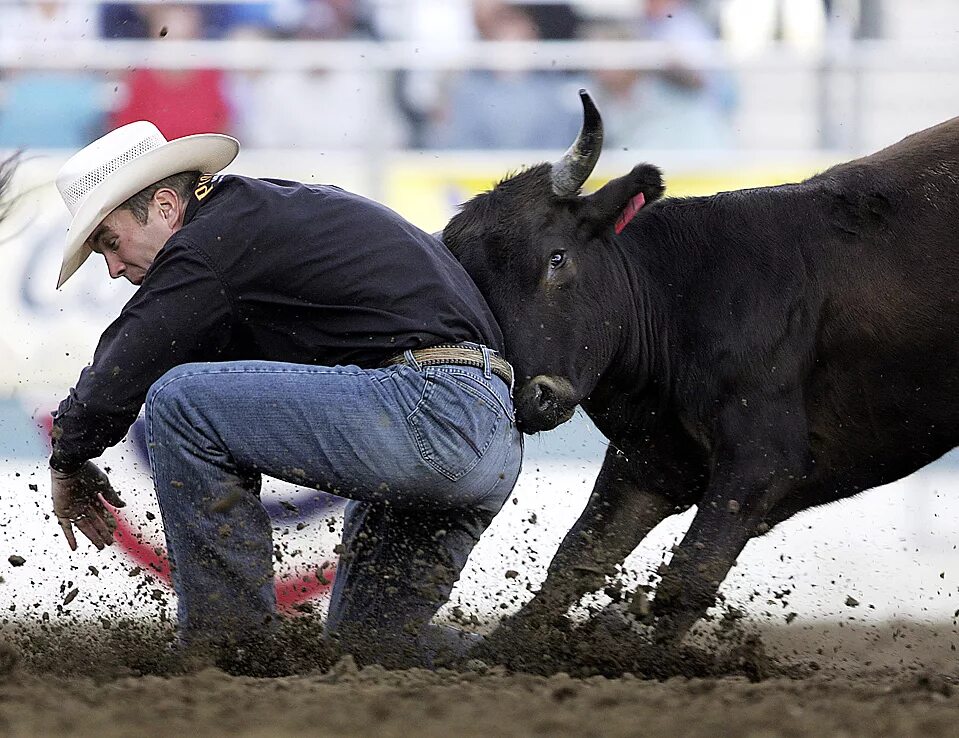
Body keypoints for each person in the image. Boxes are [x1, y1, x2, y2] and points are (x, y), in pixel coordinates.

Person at [48, 121, 523, 671]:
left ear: (163, 206)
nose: (113, 269)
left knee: (179, 401)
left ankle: (227, 650)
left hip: (432, 413)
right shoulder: (259, 218)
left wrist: (68, 458)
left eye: (111, 242)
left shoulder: (208, 243)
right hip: (487, 436)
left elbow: (122, 369)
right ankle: (537, 662)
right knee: (370, 655)